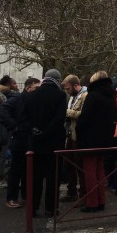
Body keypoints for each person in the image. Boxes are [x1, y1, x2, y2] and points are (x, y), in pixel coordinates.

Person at [20, 69, 67, 217]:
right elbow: (60, 118)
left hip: (35, 142)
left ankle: (32, 208)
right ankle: (51, 208)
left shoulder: (32, 95)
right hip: (54, 142)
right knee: (53, 177)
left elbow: (23, 117)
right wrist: (47, 132)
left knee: (35, 177)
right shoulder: (60, 95)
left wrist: (34, 130)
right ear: (57, 80)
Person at [76, 71, 117, 212]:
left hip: (90, 139)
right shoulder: (111, 95)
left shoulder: (92, 96)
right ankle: (101, 200)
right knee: (99, 170)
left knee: (90, 172)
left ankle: (92, 202)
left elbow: (84, 118)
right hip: (105, 138)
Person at [0, 77, 40, 208]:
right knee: (16, 171)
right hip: (19, 139)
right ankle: (12, 198)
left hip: (30, 138)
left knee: (27, 171)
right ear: (28, 88)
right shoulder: (17, 99)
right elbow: (2, 111)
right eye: (36, 88)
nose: (39, 91)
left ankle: (26, 196)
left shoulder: (34, 100)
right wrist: (13, 126)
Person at [60, 75, 88, 203]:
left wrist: (67, 112)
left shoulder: (85, 96)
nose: (67, 91)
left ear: (76, 85)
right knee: (68, 163)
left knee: (79, 165)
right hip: (71, 133)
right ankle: (72, 191)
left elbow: (83, 114)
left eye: (68, 88)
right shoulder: (72, 97)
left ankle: (83, 194)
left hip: (79, 134)